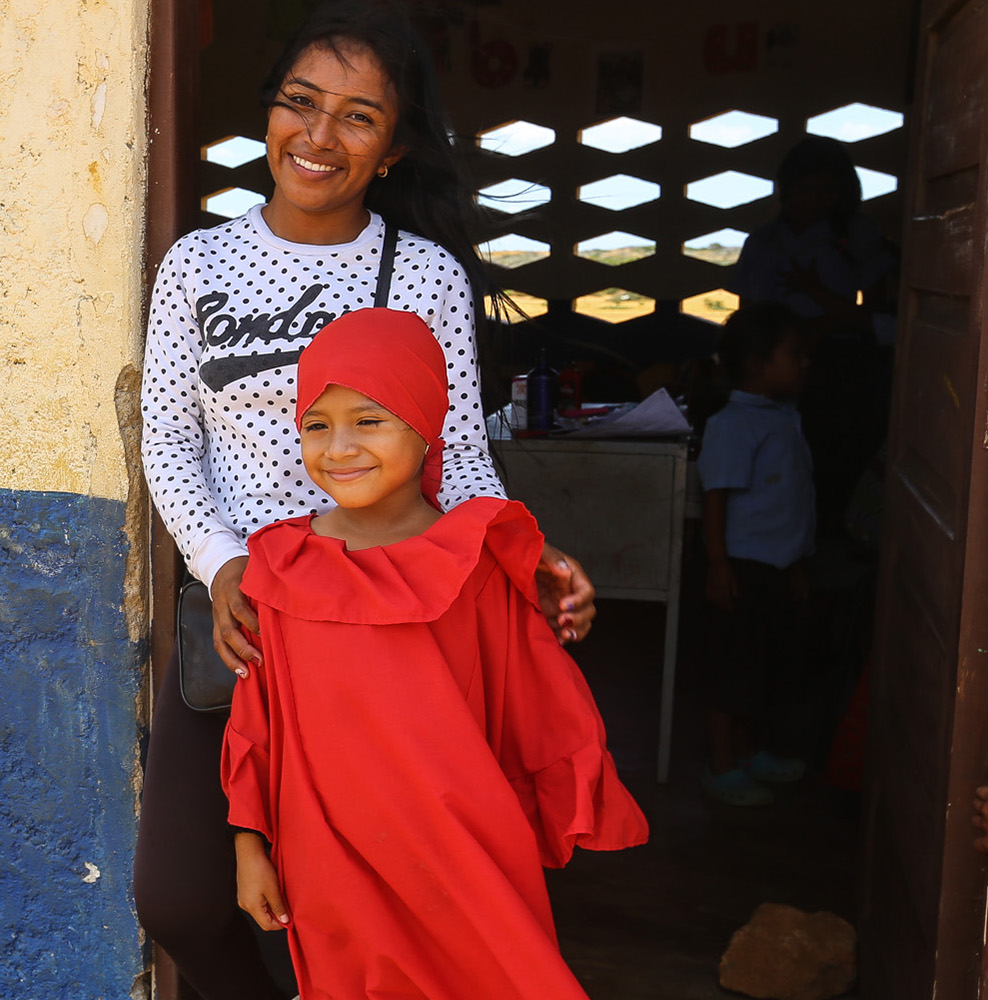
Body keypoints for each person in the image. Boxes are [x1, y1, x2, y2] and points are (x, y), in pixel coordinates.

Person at [137, 3, 597, 996]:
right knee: (179, 899)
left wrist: (528, 557)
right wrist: (219, 567)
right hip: (246, 622)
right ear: (267, 114)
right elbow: (170, 438)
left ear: (391, 150)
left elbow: (458, 457)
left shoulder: (419, 274)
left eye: (357, 116)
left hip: (382, 631)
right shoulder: (197, 264)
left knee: (384, 900)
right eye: (300, 104)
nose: (317, 135)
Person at [224, 308, 648, 999]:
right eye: (316, 425)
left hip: (462, 853)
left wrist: (567, 790)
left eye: (369, 421)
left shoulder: (479, 557)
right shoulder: (280, 563)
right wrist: (249, 845)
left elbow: (532, 702)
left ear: (427, 426)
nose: (339, 448)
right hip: (331, 863)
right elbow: (255, 723)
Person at [729, 136, 896, 532]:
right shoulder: (765, 241)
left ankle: (832, 528)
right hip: (771, 363)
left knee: (837, 451)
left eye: (826, 191)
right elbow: (747, 313)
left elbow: (874, 317)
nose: (815, 201)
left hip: (841, 364)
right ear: (786, 191)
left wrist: (820, 311)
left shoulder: (856, 235)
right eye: (805, 190)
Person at [697, 304, 815, 807]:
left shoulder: (781, 417)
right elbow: (716, 497)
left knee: (760, 666)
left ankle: (748, 755)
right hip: (743, 567)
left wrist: (795, 566)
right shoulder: (734, 424)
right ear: (755, 364)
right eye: (793, 355)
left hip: (774, 566)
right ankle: (721, 766)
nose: (805, 363)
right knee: (733, 670)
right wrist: (719, 565)